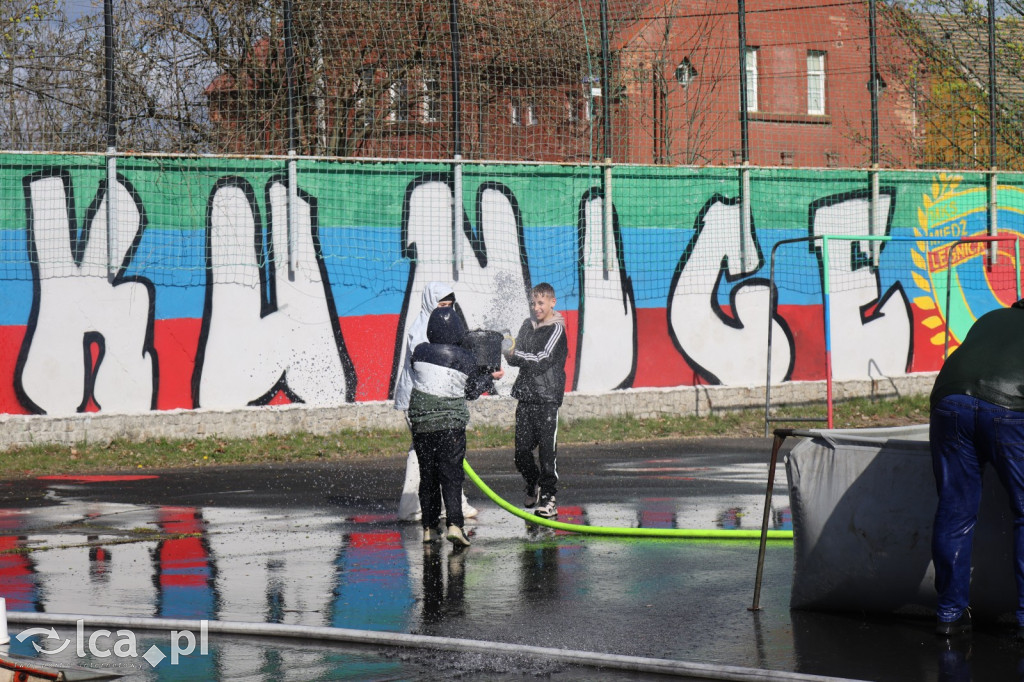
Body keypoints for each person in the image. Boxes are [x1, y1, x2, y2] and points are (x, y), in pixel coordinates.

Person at [929, 298, 1024, 639]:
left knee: (955, 510)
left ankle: (950, 615)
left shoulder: (992, 316)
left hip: (949, 401)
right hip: (1009, 408)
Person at [408, 306, 503, 546]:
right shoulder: (465, 357)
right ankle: (454, 525)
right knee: (451, 476)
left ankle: (429, 528)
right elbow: (470, 393)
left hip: (421, 424)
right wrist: (488, 377)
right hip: (450, 426)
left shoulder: (419, 352)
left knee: (428, 476)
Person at [394, 283, 477, 522]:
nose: (446, 312)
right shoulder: (420, 331)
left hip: (434, 400)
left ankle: (429, 507)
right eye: (441, 305)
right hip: (420, 401)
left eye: (449, 306)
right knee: (438, 451)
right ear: (430, 304)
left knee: (433, 451)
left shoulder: (432, 327)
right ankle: (421, 508)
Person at [503, 282, 568, 519]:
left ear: (552, 302)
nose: (536, 307)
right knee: (521, 453)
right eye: (533, 302)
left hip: (547, 398)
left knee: (547, 453)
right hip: (526, 396)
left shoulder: (556, 330)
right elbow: (515, 357)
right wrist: (507, 350)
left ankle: (549, 499)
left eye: (541, 302)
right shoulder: (526, 325)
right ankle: (532, 483)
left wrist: (516, 354)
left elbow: (542, 358)